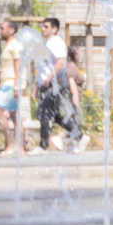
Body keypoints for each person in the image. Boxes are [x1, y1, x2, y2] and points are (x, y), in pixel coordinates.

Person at [36, 16, 84, 152]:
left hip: (55, 82)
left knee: (44, 114)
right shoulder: (47, 43)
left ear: (54, 29)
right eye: (42, 26)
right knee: (54, 115)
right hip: (48, 83)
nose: (42, 29)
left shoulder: (56, 42)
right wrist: (37, 85)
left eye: (46, 27)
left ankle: (43, 146)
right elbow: (43, 67)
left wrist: (48, 80)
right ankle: (78, 134)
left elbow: (60, 63)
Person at [0, 18, 27, 156]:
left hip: (12, 82)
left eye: (2, 28)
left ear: (11, 30)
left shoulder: (15, 44)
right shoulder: (7, 45)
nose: (0, 31)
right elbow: (3, 69)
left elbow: (18, 65)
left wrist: (16, 86)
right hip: (7, 82)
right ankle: (20, 149)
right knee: (15, 116)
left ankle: (11, 144)